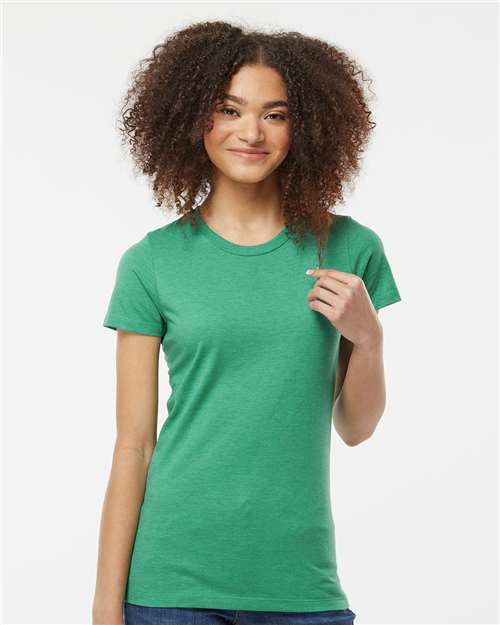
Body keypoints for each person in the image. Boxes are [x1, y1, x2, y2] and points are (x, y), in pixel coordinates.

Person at [92, 20, 401, 625]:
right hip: (169, 585)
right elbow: (133, 445)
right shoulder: (152, 262)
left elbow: (357, 428)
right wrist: (106, 607)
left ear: (306, 126)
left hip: (299, 585)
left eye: (275, 115)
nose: (251, 132)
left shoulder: (350, 248)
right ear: (192, 119)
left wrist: (368, 338)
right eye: (228, 110)